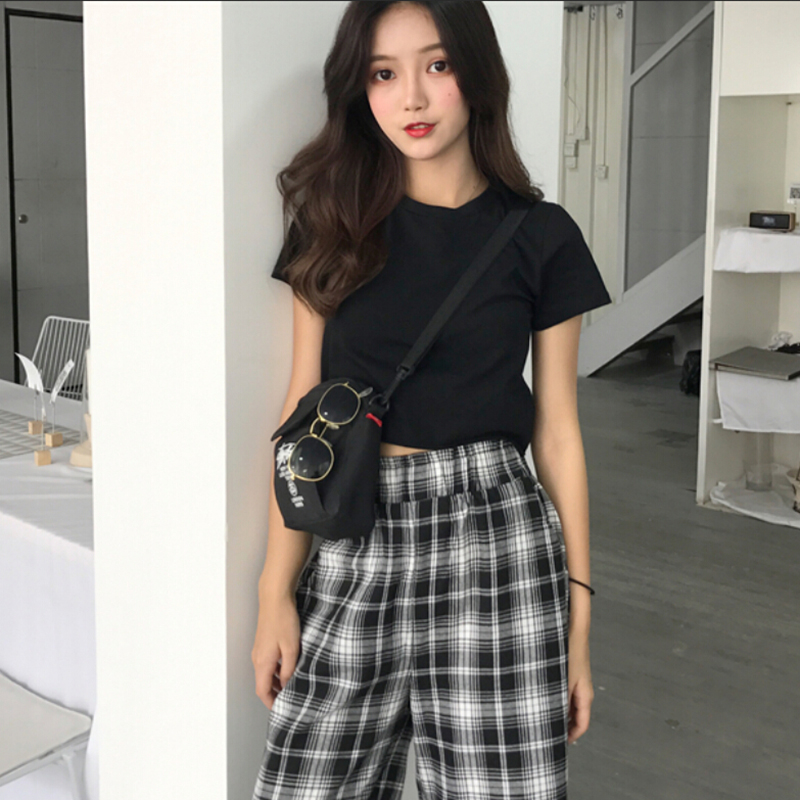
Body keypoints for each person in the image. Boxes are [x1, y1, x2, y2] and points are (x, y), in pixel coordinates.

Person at [251, 1, 612, 798]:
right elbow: (302, 412)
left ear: (477, 74)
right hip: (358, 536)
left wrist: (579, 624)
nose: (410, 97)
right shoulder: (333, 223)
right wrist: (276, 592)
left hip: (498, 545)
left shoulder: (543, 235)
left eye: (437, 65)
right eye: (383, 74)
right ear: (360, 90)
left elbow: (558, 434)